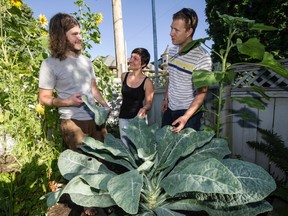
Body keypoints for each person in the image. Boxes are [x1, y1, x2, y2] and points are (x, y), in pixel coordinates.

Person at [38, 13, 109, 216]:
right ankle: (88, 207)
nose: (80, 37)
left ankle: (100, 199)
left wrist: (104, 105)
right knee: (83, 165)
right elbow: (44, 98)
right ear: (61, 36)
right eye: (74, 34)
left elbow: (93, 89)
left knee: (100, 161)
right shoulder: (49, 64)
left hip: (95, 119)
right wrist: (67, 101)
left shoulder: (86, 61)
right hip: (72, 121)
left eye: (80, 33)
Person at [161, 8, 212, 132]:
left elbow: (202, 93)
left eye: (176, 30)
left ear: (189, 31)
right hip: (170, 109)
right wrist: (166, 98)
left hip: (189, 114)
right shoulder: (172, 51)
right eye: (171, 28)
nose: (171, 33)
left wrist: (185, 117)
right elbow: (171, 77)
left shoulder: (203, 57)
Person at [119, 48, 154, 147]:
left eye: (135, 58)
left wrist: (144, 108)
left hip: (138, 119)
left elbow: (149, 103)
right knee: (125, 148)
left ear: (143, 64)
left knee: (139, 147)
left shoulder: (147, 82)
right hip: (123, 117)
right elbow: (124, 97)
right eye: (131, 57)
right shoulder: (124, 76)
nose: (131, 60)